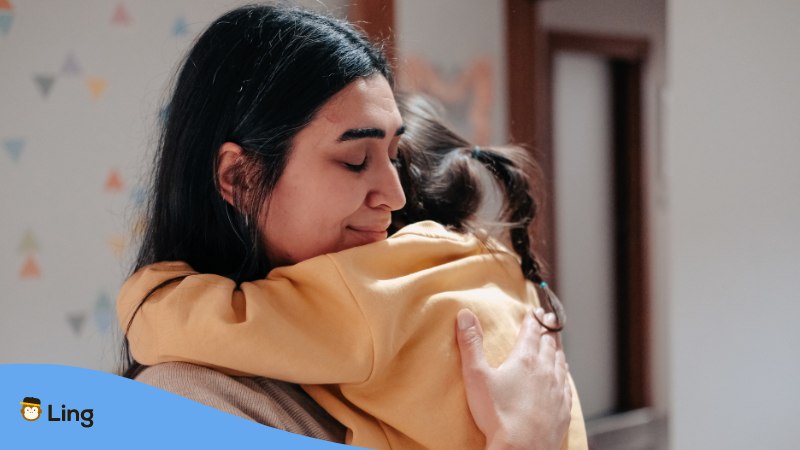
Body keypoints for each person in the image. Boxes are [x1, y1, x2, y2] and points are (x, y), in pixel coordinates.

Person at [118, 4, 581, 449]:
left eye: (395, 156)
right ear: (238, 177)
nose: (396, 195)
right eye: (356, 161)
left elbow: (193, 323)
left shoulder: (372, 296)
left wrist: (155, 298)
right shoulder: (188, 402)